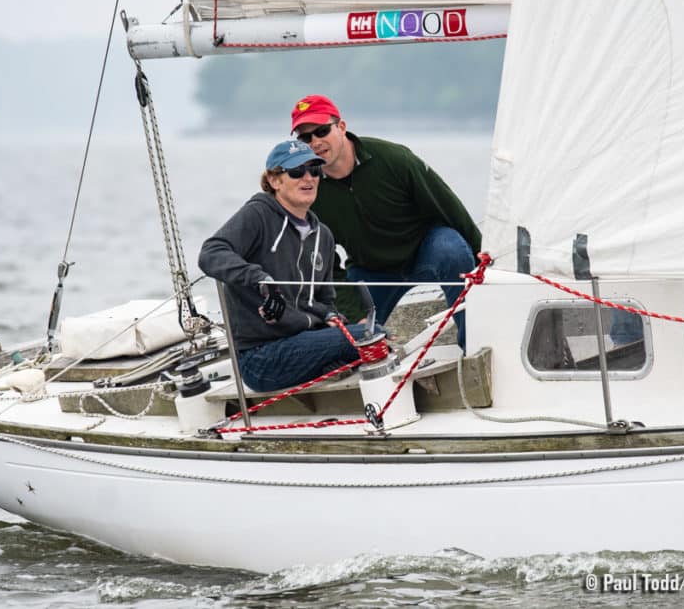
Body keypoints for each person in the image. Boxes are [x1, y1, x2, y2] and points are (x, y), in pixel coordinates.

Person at [290, 94, 481, 348]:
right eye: (305, 138)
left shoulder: (394, 159)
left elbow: (450, 208)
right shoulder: (308, 189)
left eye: (322, 131)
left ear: (342, 127)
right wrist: (354, 313)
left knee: (452, 251)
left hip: (426, 251)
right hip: (371, 270)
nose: (315, 142)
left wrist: (486, 261)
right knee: (353, 341)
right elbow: (325, 265)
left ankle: (474, 346)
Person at [197, 139, 369, 392]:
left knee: (374, 333)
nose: (308, 178)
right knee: (368, 336)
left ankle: (334, 369)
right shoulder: (258, 215)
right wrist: (260, 279)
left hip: (303, 340)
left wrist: (330, 316)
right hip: (260, 356)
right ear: (275, 181)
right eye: (297, 171)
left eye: (315, 170)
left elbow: (323, 300)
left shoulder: (323, 235)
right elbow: (210, 253)